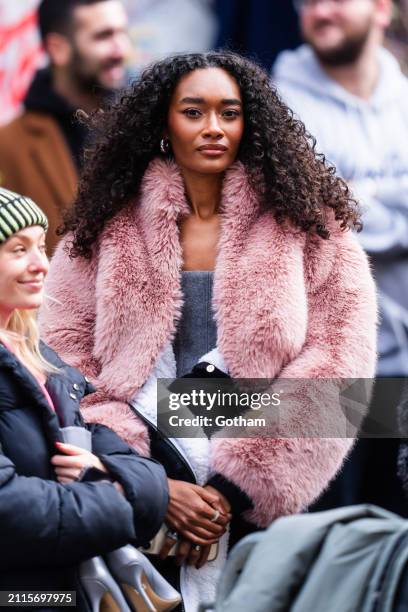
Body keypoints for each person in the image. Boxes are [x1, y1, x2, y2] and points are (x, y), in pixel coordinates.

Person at [39, 51, 377, 611]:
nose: (214, 128)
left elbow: (341, 367)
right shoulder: (101, 231)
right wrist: (151, 485)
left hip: (262, 509)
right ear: (163, 123)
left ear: (253, 124)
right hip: (138, 502)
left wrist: (230, 489)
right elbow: (64, 361)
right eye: (193, 112)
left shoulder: (309, 224)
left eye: (230, 112)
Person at [0, 186, 168, 610]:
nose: (41, 265)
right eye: (18, 250)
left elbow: (119, 454)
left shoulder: (41, 354)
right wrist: (116, 497)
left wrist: (106, 471)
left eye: (41, 246)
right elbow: (9, 509)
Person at [273, 0, 408, 515]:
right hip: (323, 382)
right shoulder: (277, 105)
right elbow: (306, 217)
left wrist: (351, 199)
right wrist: (391, 198)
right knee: (328, 552)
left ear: (380, 8)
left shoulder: (404, 97)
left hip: (402, 373)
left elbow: (335, 209)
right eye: (306, 3)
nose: (318, 11)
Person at [0, 0, 130, 254]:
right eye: (104, 36)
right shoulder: (8, 146)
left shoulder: (147, 129)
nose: (121, 50)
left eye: (122, 33)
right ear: (58, 48)